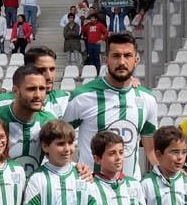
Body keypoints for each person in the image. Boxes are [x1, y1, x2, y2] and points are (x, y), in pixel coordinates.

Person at [63, 32, 158, 179]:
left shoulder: (148, 99)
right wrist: (73, 166)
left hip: (131, 190)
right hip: (91, 188)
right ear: (106, 59)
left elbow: (150, 150)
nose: (122, 62)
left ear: (136, 59)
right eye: (116, 56)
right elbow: (60, 139)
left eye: (127, 56)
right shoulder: (82, 96)